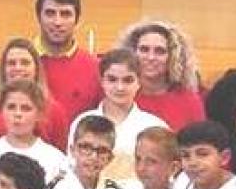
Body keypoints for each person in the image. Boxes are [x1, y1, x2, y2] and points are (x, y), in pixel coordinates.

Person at [67, 49, 168, 181]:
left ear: (139, 82)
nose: (120, 87)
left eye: (128, 80)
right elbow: (72, 168)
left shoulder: (154, 126)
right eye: (112, 80)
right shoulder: (83, 121)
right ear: (102, 81)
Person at [0, 37, 69, 149]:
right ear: (3, 69)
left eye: (25, 63)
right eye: (11, 63)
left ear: (36, 68)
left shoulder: (55, 111)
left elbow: (60, 154)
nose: (18, 68)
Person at [33, 0, 101, 130]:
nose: (57, 22)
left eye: (65, 14)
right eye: (50, 13)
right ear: (39, 17)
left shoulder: (95, 67)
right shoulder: (20, 63)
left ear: (77, 20)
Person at [118, 20, 204, 132]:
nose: (151, 57)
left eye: (160, 51)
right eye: (144, 49)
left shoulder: (189, 101)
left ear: (174, 57)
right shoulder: (118, 94)